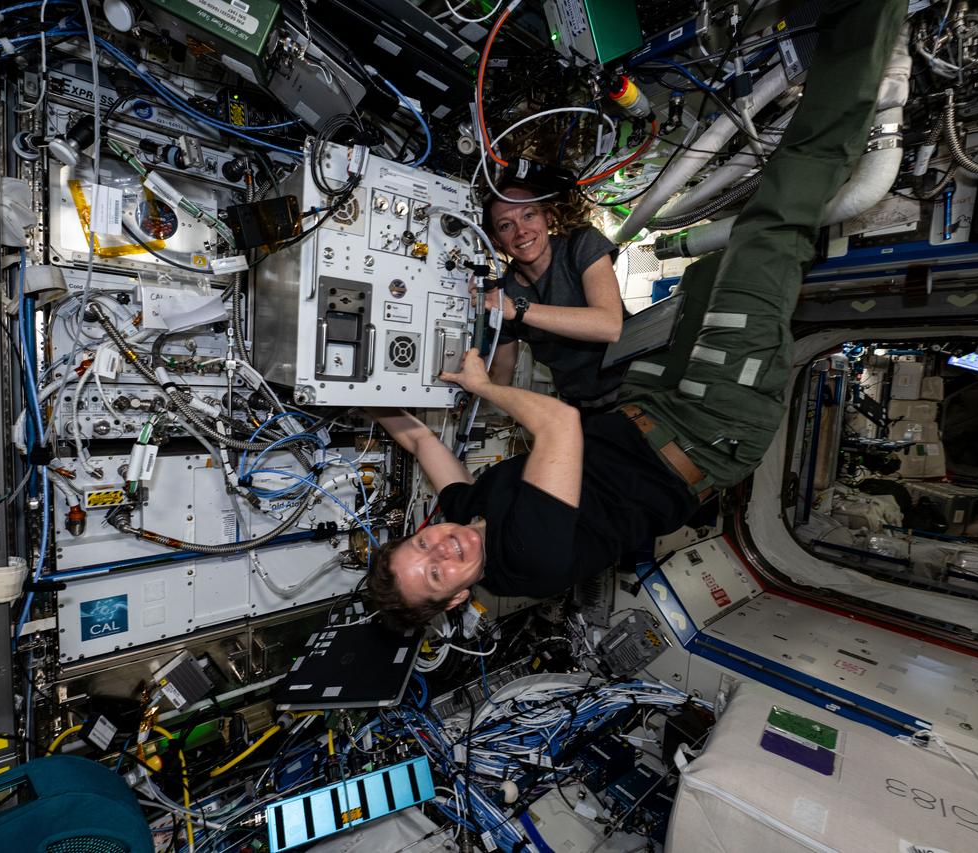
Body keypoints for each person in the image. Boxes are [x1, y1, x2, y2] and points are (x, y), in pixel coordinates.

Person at [365, 0, 905, 628]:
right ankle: (866, 35)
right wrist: (485, 383)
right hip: (708, 431)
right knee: (768, 233)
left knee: (708, 272)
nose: (442, 547)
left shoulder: (466, 516)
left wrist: (346, 395)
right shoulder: (526, 559)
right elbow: (561, 425)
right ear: (456, 598)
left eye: (423, 542)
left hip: (655, 409)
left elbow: (423, 440)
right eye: (435, 572)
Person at [481, 184, 625, 411]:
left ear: (547, 217)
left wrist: (518, 309)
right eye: (506, 225)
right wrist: (465, 393)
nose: (521, 231)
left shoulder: (580, 244)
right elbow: (501, 375)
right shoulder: (504, 292)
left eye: (529, 215)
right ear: (496, 240)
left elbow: (609, 325)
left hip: (637, 391)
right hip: (582, 408)